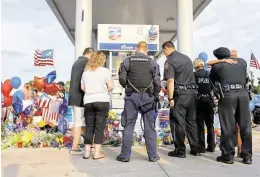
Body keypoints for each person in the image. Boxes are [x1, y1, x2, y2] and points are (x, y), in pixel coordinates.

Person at [116, 41, 161, 162]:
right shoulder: (152, 62)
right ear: (146, 50)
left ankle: (125, 156)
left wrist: (128, 86)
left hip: (131, 97)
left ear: (137, 49)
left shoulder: (127, 60)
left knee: (128, 125)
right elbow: (157, 82)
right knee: (149, 126)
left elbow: (121, 79)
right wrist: (155, 95)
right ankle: (153, 156)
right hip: (148, 97)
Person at [210, 47, 252, 164]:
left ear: (218, 57)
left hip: (227, 96)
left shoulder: (217, 66)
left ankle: (228, 156)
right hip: (243, 95)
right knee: (245, 127)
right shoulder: (242, 62)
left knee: (228, 127)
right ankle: (247, 156)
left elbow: (212, 80)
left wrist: (220, 62)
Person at [163, 41, 200, 158]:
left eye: (164, 52)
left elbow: (170, 81)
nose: (164, 54)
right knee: (191, 122)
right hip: (192, 94)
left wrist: (170, 98)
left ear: (166, 49)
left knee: (178, 122)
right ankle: (195, 149)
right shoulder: (187, 58)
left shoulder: (170, 60)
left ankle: (180, 150)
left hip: (181, 95)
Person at [81, 51, 114, 159]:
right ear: (102, 60)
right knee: (99, 128)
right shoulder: (105, 71)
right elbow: (111, 87)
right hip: (102, 100)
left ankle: (86, 153)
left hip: (88, 101)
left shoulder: (85, 72)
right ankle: (96, 154)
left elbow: (83, 88)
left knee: (89, 127)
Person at [68, 47, 94, 154]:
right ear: (90, 55)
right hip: (80, 97)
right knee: (79, 122)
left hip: (73, 97)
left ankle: (86, 143)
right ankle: (75, 147)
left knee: (78, 122)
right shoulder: (86, 63)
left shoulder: (76, 63)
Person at [193, 58, 216, 153]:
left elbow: (193, 87)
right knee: (210, 124)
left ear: (195, 65)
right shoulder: (209, 74)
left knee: (200, 124)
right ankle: (211, 146)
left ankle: (201, 146)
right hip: (209, 100)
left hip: (199, 100)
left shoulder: (194, 75)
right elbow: (212, 86)